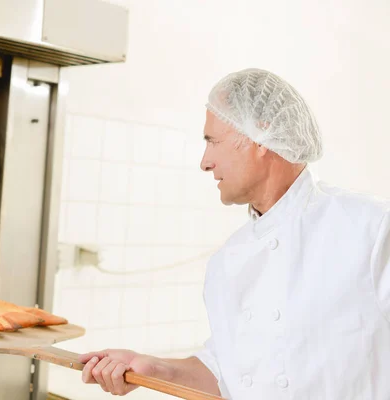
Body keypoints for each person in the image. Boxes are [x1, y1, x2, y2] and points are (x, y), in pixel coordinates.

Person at [78, 68, 390, 399]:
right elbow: (229, 376)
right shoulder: (228, 261)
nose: (204, 162)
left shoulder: (369, 229)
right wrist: (152, 368)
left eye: (212, 141)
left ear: (260, 138)